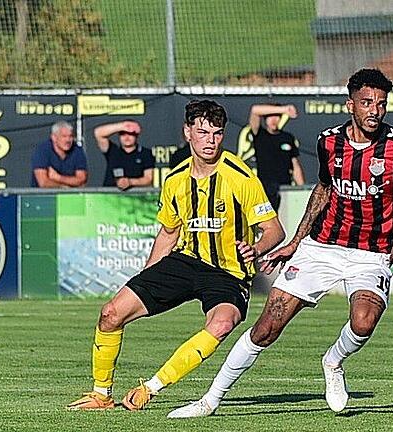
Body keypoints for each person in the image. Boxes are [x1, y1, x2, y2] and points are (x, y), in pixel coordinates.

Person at [168, 69, 393, 418]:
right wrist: (296, 240)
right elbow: (324, 188)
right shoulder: (328, 142)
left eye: (381, 104)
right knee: (266, 328)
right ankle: (209, 401)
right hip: (321, 247)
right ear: (350, 104)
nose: (375, 111)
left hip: (370, 254)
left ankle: (333, 361)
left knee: (364, 322)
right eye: (367, 102)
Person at [66, 100, 285, 411]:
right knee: (111, 314)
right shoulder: (175, 179)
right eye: (203, 132)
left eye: (217, 133)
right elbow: (168, 233)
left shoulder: (240, 176)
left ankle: (150, 388)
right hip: (185, 261)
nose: (210, 140)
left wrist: (258, 247)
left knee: (222, 324)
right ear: (188, 133)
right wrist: (144, 280)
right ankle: (101, 394)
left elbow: (275, 230)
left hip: (229, 274)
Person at [248, 103, 306, 210]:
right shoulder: (260, 135)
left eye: (277, 116)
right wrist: (284, 109)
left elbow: (295, 166)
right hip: (265, 189)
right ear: (265, 119)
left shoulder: (287, 138)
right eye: (270, 116)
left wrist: (302, 189)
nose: (274, 119)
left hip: (284, 188)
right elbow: (255, 110)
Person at [93, 120, 155, 189]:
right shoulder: (112, 151)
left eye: (130, 134)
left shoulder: (145, 153)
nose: (127, 137)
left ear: (136, 136)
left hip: (134, 196)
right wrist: (122, 126)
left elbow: (149, 179)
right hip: (110, 195)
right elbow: (98, 133)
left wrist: (130, 182)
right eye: (123, 134)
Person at [31, 121, 88, 188]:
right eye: (64, 136)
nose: (68, 140)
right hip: (44, 196)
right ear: (54, 138)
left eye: (70, 136)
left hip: (72, 195)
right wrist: (64, 187)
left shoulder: (77, 150)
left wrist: (58, 177)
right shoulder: (42, 150)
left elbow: (81, 179)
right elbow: (43, 182)